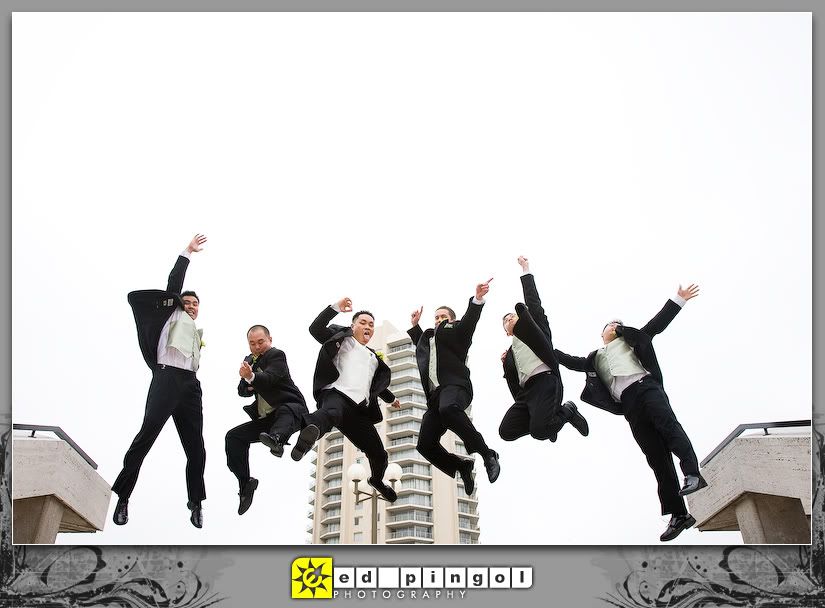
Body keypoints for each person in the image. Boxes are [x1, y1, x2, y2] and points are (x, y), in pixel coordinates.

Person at [554, 284, 705, 542]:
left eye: (618, 324)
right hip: (629, 405)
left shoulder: (631, 341)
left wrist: (678, 299)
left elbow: (656, 325)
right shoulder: (594, 358)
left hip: (646, 388)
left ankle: (692, 473)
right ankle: (679, 514)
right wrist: (542, 347)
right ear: (602, 333)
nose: (615, 325)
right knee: (655, 456)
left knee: (669, 429)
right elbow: (568, 360)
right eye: (611, 324)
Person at [112, 234, 208, 529]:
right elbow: (174, 283)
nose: (191, 306)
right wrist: (187, 252)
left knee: (196, 448)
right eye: (187, 302)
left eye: (195, 304)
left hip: (190, 385)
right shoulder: (171, 315)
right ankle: (124, 497)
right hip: (166, 378)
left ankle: (196, 502)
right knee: (146, 436)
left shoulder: (196, 332)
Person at [290, 298, 401, 502]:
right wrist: (335, 308)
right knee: (330, 414)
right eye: (363, 322)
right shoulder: (342, 340)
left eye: (371, 325)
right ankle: (305, 441)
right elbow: (315, 329)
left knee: (379, 454)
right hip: (337, 395)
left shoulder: (374, 358)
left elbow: (377, 386)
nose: (367, 327)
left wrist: (391, 398)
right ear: (353, 325)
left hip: (358, 411)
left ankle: (376, 481)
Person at [407, 279, 500, 496]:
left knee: (448, 409)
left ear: (451, 320)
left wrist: (477, 299)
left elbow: (469, 322)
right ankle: (462, 466)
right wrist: (415, 326)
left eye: (443, 317)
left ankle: (487, 454)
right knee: (425, 444)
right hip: (436, 397)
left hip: (456, 386)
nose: (439, 320)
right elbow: (423, 345)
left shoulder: (457, 332)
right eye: (436, 317)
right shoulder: (429, 338)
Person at [499, 256, 588, 443]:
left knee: (539, 431)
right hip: (526, 394)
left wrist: (526, 270)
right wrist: (506, 364)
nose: (509, 319)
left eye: (512, 316)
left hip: (545, 382)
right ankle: (550, 420)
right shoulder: (509, 355)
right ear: (507, 332)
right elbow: (513, 383)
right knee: (506, 431)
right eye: (505, 321)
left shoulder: (536, 328)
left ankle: (568, 410)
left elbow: (533, 302)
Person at [225, 324, 309, 515]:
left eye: (261, 342)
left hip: (292, 410)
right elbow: (241, 391)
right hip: (267, 421)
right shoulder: (250, 361)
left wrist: (252, 377)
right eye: (252, 343)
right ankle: (245, 484)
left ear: (270, 340)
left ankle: (277, 441)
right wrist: (249, 379)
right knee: (233, 437)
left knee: (284, 413)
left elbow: (270, 377)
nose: (257, 347)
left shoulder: (276, 355)